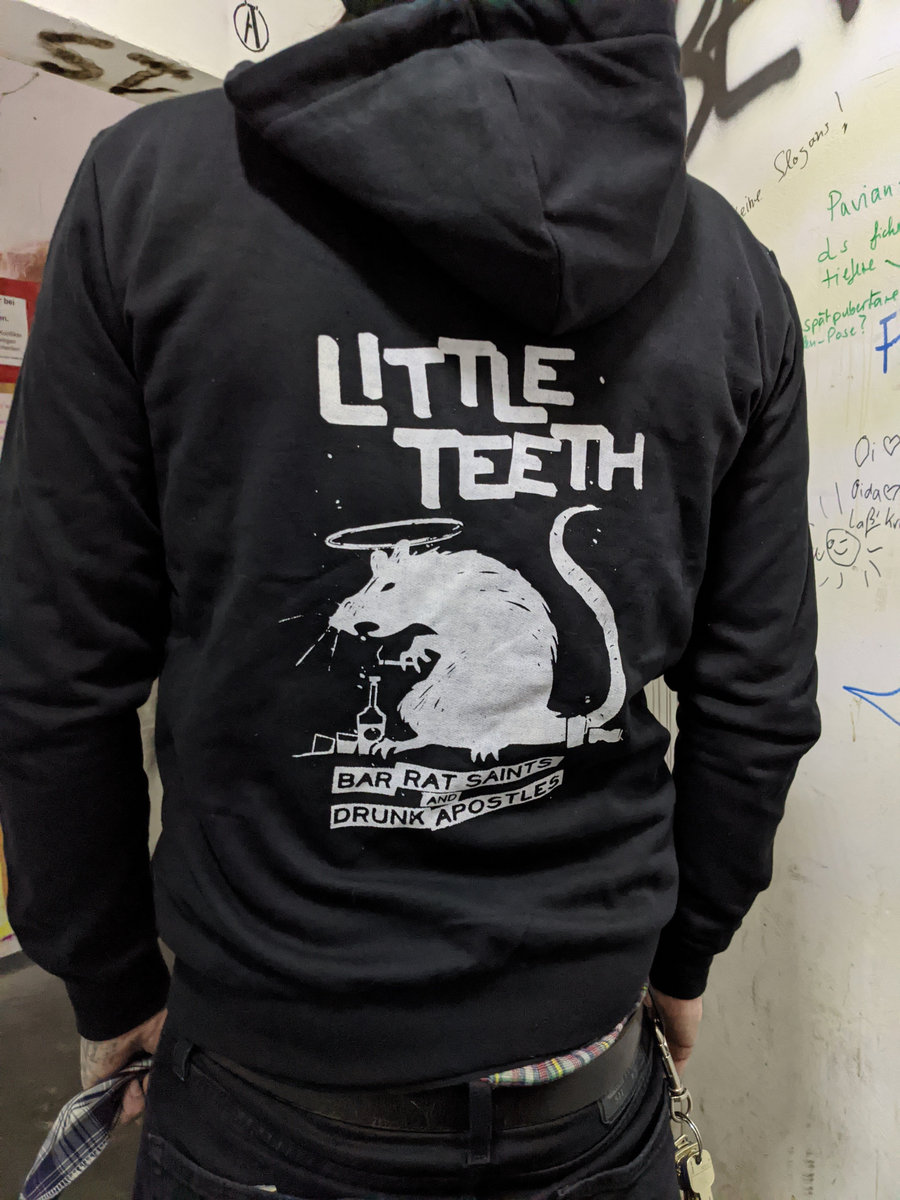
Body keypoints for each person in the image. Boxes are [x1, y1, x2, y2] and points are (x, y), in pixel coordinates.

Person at [0, 0, 820, 1196]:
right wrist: (685, 954)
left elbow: (50, 661)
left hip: (267, 1090)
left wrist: (108, 976)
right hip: (587, 1087)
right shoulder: (731, 275)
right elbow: (760, 702)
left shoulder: (155, 190)